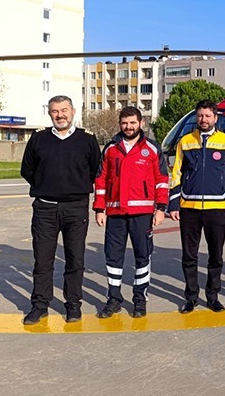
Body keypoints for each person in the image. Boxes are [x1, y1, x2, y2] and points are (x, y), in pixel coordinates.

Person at [20, 95, 101, 325]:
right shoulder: (38, 139)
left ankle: (73, 305)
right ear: (50, 113)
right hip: (45, 209)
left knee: (75, 259)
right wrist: (45, 184)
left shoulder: (87, 140)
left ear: (73, 111)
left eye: (64, 110)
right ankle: (40, 305)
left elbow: (96, 169)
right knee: (42, 260)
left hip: (76, 209)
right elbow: (27, 170)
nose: (60, 115)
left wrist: (75, 187)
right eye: (55, 111)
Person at [93, 106, 169, 318]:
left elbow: (162, 180)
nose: (129, 127)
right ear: (120, 124)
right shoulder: (110, 149)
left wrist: (161, 208)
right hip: (115, 213)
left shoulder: (152, 149)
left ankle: (139, 299)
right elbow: (100, 180)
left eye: (133, 123)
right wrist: (99, 208)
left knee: (142, 257)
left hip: (143, 213)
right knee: (113, 258)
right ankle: (114, 298)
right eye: (125, 123)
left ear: (141, 123)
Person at [168, 100, 225, 314]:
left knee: (215, 255)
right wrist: (173, 204)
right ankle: (191, 297)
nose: (204, 120)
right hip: (188, 207)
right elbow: (177, 174)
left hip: (217, 207)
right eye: (200, 115)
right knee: (189, 256)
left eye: (208, 116)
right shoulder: (185, 141)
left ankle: (213, 296)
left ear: (215, 118)